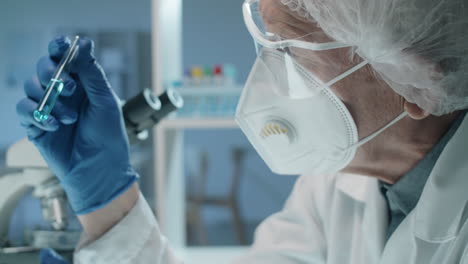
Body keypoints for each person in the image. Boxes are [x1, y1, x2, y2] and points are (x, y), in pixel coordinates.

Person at [16, 0, 468, 263]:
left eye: (290, 49)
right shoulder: (334, 182)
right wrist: (107, 195)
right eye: (266, 45)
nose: (266, 77)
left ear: (416, 79)